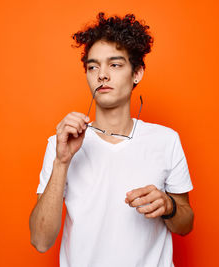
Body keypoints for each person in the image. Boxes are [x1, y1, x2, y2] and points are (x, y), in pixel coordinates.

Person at [29, 12, 194, 267]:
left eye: (115, 65)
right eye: (93, 66)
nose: (102, 75)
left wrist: (168, 205)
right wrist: (62, 162)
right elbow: (40, 241)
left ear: (137, 73)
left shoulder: (166, 140)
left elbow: (186, 224)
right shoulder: (60, 144)